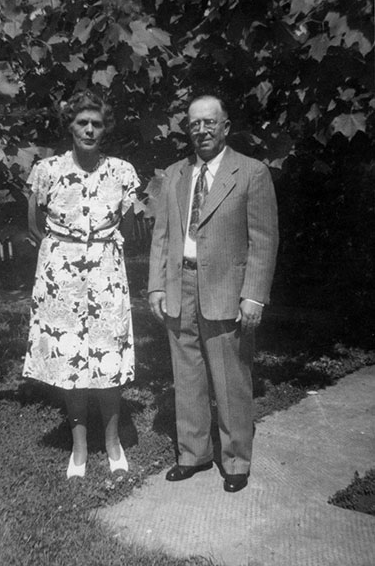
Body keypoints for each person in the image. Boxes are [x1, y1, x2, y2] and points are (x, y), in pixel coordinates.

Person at [148, 94, 278, 493]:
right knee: (186, 373)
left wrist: (253, 295)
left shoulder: (251, 172)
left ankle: (236, 459)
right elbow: (162, 235)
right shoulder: (175, 174)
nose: (201, 130)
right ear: (187, 130)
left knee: (230, 375)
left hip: (225, 286)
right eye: (193, 124)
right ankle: (193, 453)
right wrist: (155, 284)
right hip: (180, 283)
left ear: (225, 126)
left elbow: (264, 239)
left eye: (209, 122)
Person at [23, 90, 139, 479]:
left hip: (106, 270)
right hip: (60, 274)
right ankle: (79, 447)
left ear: (106, 128)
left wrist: (96, 252)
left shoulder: (122, 172)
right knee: (70, 357)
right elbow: (35, 226)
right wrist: (67, 254)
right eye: (81, 123)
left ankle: (112, 442)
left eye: (97, 124)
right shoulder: (47, 170)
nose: (90, 129)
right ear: (69, 126)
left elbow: (128, 229)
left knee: (107, 355)